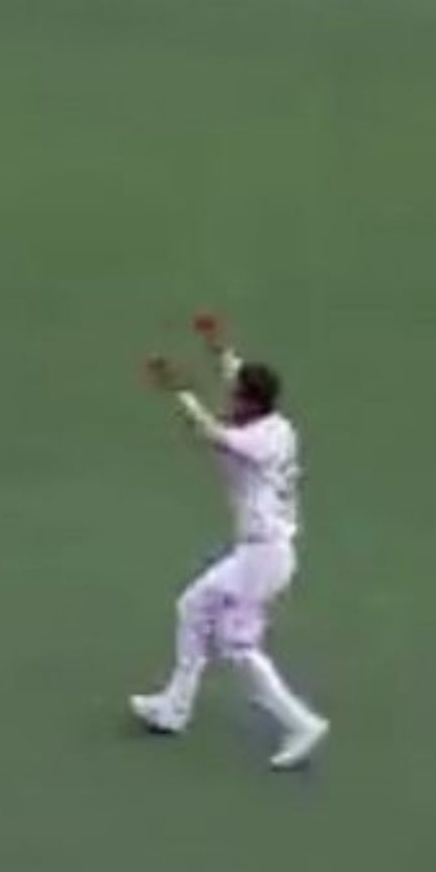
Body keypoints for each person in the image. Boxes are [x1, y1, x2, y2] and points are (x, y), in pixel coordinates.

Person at [132, 314, 329, 770]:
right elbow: (236, 374)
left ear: (252, 403)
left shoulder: (257, 440)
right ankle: (173, 708)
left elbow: (211, 434)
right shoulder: (279, 425)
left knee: (235, 645)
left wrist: (179, 389)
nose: (230, 398)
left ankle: (301, 723)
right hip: (260, 553)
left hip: (264, 556)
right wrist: (218, 347)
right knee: (194, 608)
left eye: (237, 395)